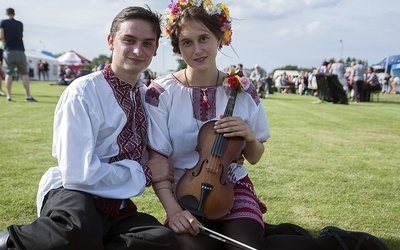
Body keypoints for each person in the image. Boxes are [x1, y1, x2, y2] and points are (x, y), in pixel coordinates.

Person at [144, 1, 389, 250]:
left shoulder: (241, 89)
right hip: (185, 195)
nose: (197, 49)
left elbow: (255, 157)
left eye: (204, 38)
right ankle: (282, 235)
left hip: (232, 188)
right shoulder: (162, 92)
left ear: (220, 38)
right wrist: (173, 210)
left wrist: (249, 137)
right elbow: (158, 161)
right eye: (187, 42)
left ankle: (331, 242)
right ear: (178, 47)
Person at [0, 6, 179, 250]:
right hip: (74, 194)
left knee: (162, 239)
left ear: (155, 49)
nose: (138, 50)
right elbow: (78, 174)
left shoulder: (145, 95)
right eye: (129, 40)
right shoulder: (83, 91)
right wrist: (146, 173)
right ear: (111, 41)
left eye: (147, 43)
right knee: (77, 230)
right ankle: (7, 242)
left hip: (116, 202)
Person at [0, 8, 36, 102]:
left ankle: (8, 96)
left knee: (9, 73)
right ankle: (28, 96)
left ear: (6, 13)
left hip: (9, 51)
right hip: (20, 50)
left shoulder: (3, 22)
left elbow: (1, 36)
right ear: (14, 14)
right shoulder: (20, 24)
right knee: (24, 73)